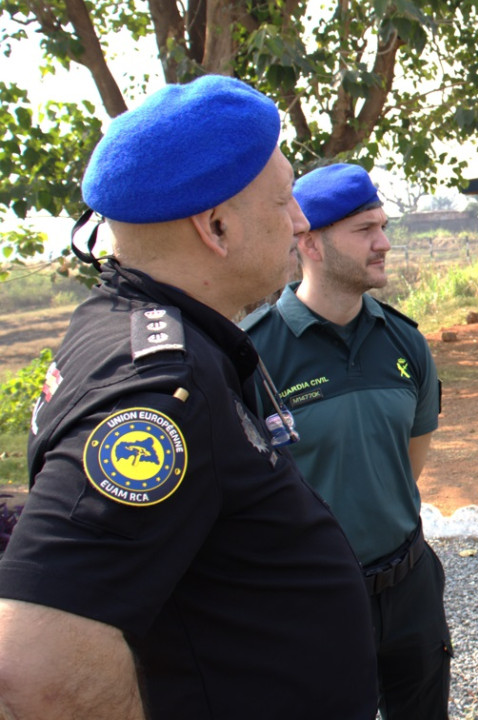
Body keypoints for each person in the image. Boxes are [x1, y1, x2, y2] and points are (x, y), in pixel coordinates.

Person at [0, 76, 378, 719]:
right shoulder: (160, 391)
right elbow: (35, 667)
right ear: (216, 225)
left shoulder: (125, 320)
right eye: (284, 200)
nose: (300, 220)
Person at [241, 163, 450, 719]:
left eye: (382, 226)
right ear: (308, 242)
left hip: (410, 592)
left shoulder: (405, 342)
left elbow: (408, 467)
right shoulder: (251, 356)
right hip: (310, 602)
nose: (383, 244)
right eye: (364, 230)